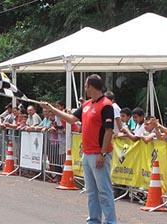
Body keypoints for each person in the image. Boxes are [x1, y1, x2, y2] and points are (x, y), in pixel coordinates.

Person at [42, 74, 116, 224]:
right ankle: (94, 220)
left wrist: (103, 153)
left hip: (98, 153)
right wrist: (52, 109)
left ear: (92, 86)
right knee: (91, 191)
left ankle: (110, 221)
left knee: (104, 191)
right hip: (87, 154)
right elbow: (71, 119)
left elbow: (109, 130)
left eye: (86, 85)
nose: (85, 88)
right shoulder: (87, 104)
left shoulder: (106, 105)